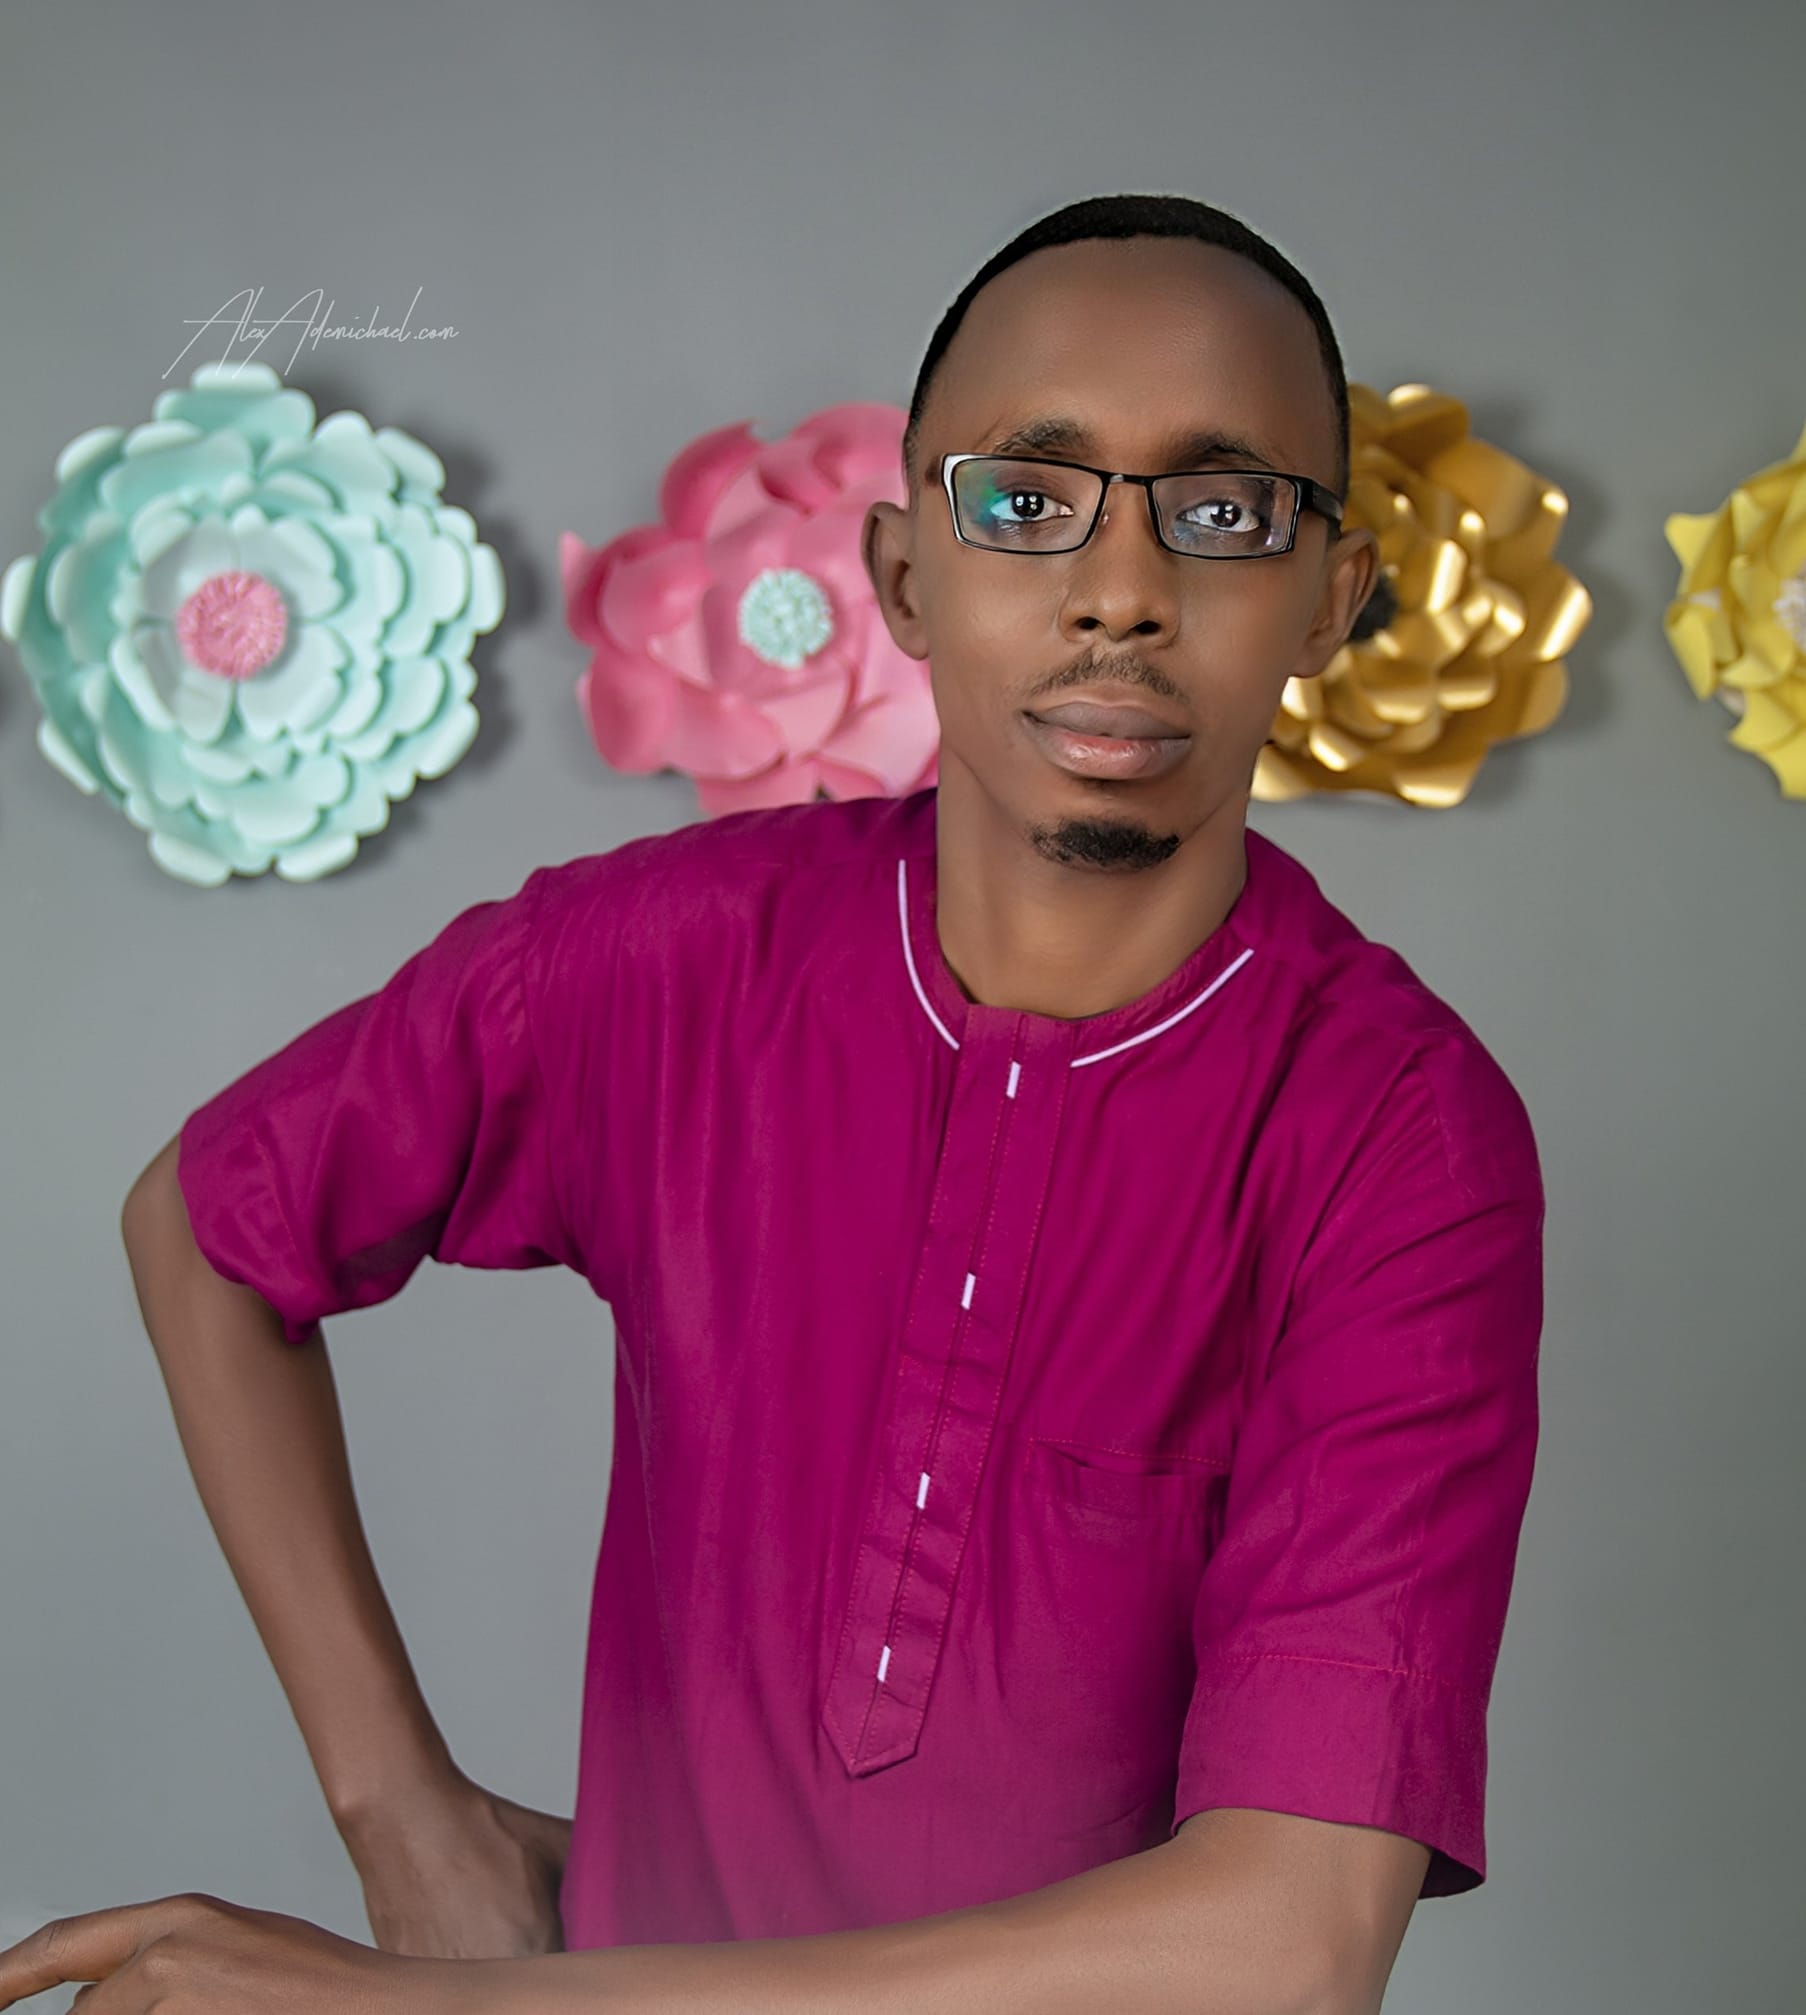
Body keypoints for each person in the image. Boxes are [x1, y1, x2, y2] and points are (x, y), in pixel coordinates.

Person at [0, 191, 1544, 2015]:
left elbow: (1285, 1947)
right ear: (904, 575)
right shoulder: (663, 960)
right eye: (1025, 503)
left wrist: (421, 2011)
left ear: (1327, 600)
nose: (1122, 591)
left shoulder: (1401, 1136)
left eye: (1221, 515)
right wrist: (396, 1806)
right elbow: (208, 1227)